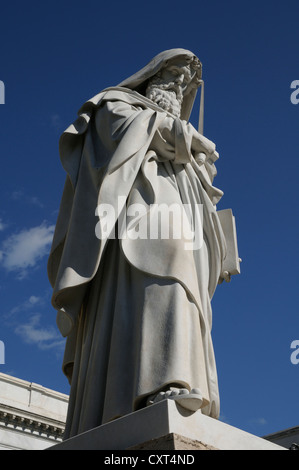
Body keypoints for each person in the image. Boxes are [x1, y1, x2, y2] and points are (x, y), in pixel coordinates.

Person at [48, 48, 227, 440]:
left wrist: (198, 160)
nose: (177, 88)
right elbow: (138, 131)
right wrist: (190, 138)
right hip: (133, 211)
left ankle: (172, 377)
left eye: (184, 84)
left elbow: (195, 168)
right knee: (167, 261)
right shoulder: (115, 103)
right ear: (151, 76)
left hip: (175, 205)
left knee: (181, 281)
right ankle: (158, 380)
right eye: (172, 77)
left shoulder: (172, 128)